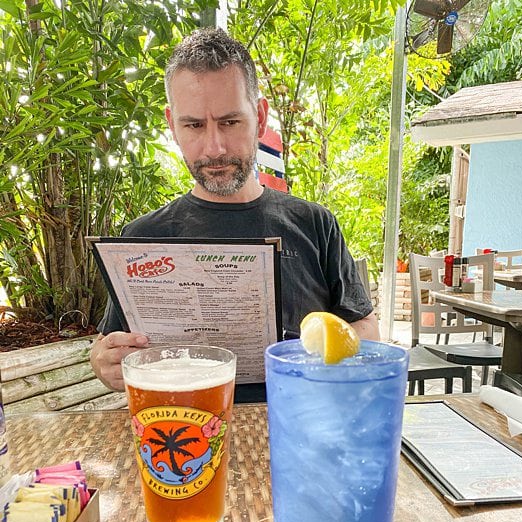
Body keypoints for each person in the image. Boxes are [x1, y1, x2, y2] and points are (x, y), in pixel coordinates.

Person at [90, 27, 377, 402]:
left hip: (299, 426)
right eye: (193, 125)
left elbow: (365, 325)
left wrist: (322, 355)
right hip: (183, 436)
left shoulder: (314, 224)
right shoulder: (142, 237)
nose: (214, 146)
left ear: (259, 116)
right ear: (171, 125)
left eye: (230, 121)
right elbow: (112, 343)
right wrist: (102, 360)